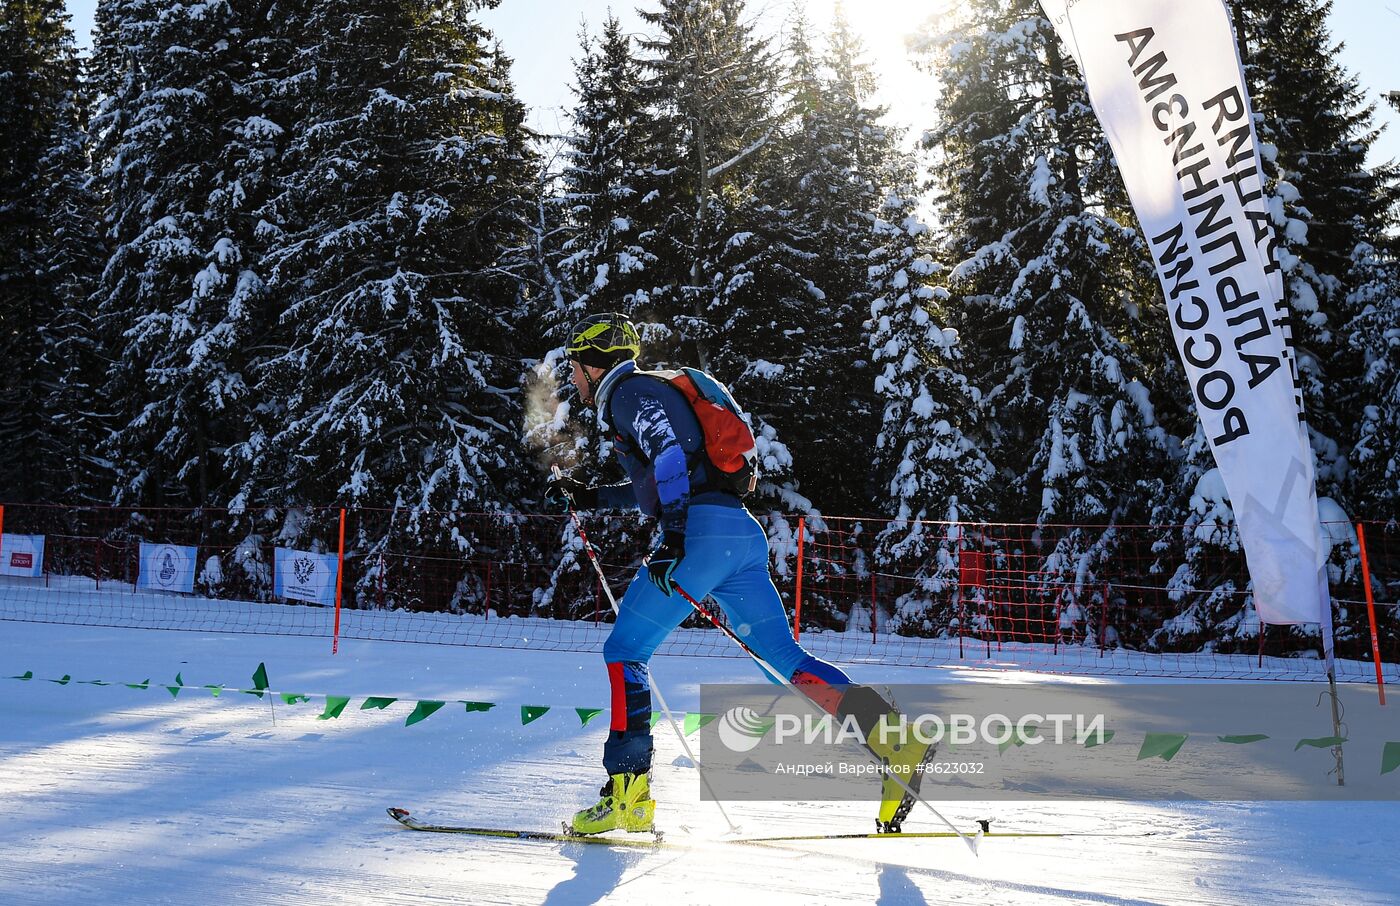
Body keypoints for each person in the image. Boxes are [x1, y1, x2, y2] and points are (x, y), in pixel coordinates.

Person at [546, 313, 932, 836]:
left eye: (573, 367)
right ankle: (895, 742)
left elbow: (667, 455)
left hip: (700, 537)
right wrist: (591, 496)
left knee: (624, 653)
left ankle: (626, 795)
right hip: (737, 535)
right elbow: (663, 479)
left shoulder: (626, 392)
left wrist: (677, 537)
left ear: (596, 365)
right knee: (786, 661)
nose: (571, 379)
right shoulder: (649, 391)